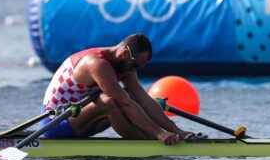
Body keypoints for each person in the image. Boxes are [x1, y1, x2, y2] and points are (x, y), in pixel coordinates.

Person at [40, 33, 193, 145]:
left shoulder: (125, 64)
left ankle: (155, 139)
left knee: (131, 99)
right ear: (125, 53)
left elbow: (144, 100)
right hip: (54, 123)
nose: (134, 70)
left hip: (80, 120)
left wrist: (176, 130)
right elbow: (125, 103)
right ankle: (148, 143)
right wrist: (159, 133)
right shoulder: (97, 64)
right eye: (135, 65)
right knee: (110, 102)